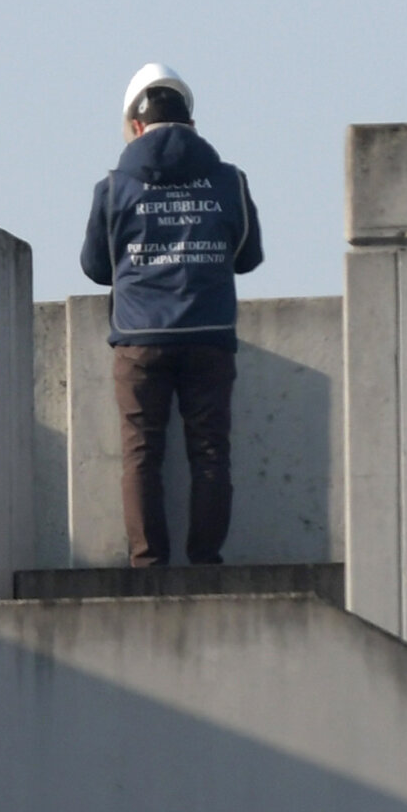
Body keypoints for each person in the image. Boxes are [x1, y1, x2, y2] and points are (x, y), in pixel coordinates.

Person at [80, 63, 263, 568]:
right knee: (209, 453)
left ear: (136, 127)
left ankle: (148, 565)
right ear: (192, 125)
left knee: (142, 454)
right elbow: (247, 257)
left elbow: (96, 268)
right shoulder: (229, 181)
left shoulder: (114, 187)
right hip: (208, 336)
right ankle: (205, 562)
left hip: (140, 337)